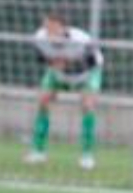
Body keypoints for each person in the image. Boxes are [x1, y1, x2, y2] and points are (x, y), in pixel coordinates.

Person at [24, 11, 104, 170]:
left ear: (63, 28)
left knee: (88, 106)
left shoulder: (81, 39)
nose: (49, 32)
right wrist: (53, 62)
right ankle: (38, 152)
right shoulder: (40, 37)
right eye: (47, 27)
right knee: (43, 101)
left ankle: (87, 156)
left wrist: (69, 63)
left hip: (85, 75)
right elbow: (40, 57)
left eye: (53, 28)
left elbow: (93, 62)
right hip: (58, 74)